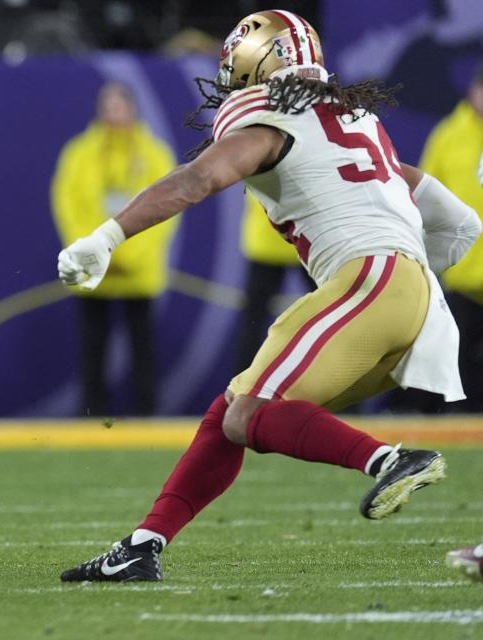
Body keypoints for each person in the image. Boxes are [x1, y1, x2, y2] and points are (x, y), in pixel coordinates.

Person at [56, 10, 481, 582]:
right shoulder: (353, 120)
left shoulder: (269, 122)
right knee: (234, 409)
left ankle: (390, 459)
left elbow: (197, 180)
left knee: (250, 411)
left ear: (259, 62)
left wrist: (108, 235)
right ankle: (143, 545)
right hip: (413, 298)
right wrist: (411, 271)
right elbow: (459, 223)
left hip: (367, 283)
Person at [50, 82, 178, 416]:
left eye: (120, 104)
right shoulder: (79, 153)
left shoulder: (154, 153)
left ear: (133, 108)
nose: (113, 111)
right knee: (93, 346)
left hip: (139, 271)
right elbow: (67, 204)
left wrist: (129, 256)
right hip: (93, 272)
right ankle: (89, 416)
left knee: (143, 346)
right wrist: (89, 252)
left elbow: (165, 211)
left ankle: (147, 415)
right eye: (107, 104)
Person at [418, 65, 483, 411]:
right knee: (457, 355)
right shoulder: (448, 135)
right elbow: (427, 195)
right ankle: (461, 419)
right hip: (463, 270)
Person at [233, 190, 313, 374]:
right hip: (305, 240)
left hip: (268, 242)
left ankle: (240, 390)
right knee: (336, 313)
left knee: (253, 321)